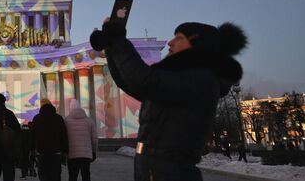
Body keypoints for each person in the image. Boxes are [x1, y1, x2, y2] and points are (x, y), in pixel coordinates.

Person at [90, 21, 247, 181]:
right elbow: (128, 82)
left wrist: (118, 40)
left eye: (179, 38)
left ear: (197, 43)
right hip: (157, 168)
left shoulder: (201, 78)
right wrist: (110, 46)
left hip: (171, 171)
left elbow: (144, 81)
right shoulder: (183, 77)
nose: (170, 42)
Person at [31, 98, 68, 181]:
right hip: (56, 152)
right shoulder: (58, 118)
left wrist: (32, 150)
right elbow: (63, 136)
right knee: (55, 175)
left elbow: (32, 136)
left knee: (43, 175)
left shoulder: (36, 119)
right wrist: (65, 150)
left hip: (42, 153)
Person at [64, 99, 98, 181]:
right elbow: (94, 139)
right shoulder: (89, 121)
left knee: (72, 176)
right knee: (86, 175)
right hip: (86, 155)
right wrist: (94, 151)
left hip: (72, 155)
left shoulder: (66, 121)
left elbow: (64, 138)